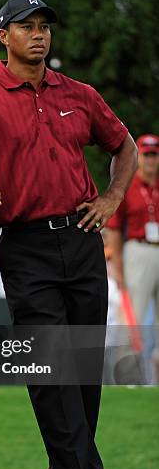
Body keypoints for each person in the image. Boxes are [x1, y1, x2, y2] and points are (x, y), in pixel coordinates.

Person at [0, 0, 137, 469]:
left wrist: (113, 198)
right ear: (4, 35)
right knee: (54, 370)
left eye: (44, 25)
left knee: (84, 371)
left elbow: (125, 146)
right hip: (25, 247)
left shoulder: (80, 94)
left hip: (82, 238)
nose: (39, 34)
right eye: (26, 26)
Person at [106, 134, 159, 383]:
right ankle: (127, 378)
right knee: (132, 318)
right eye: (146, 154)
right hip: (137, 249)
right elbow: (114, 229)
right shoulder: (129, 186)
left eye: (154, 154)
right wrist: (117, 268)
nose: (150, 159)